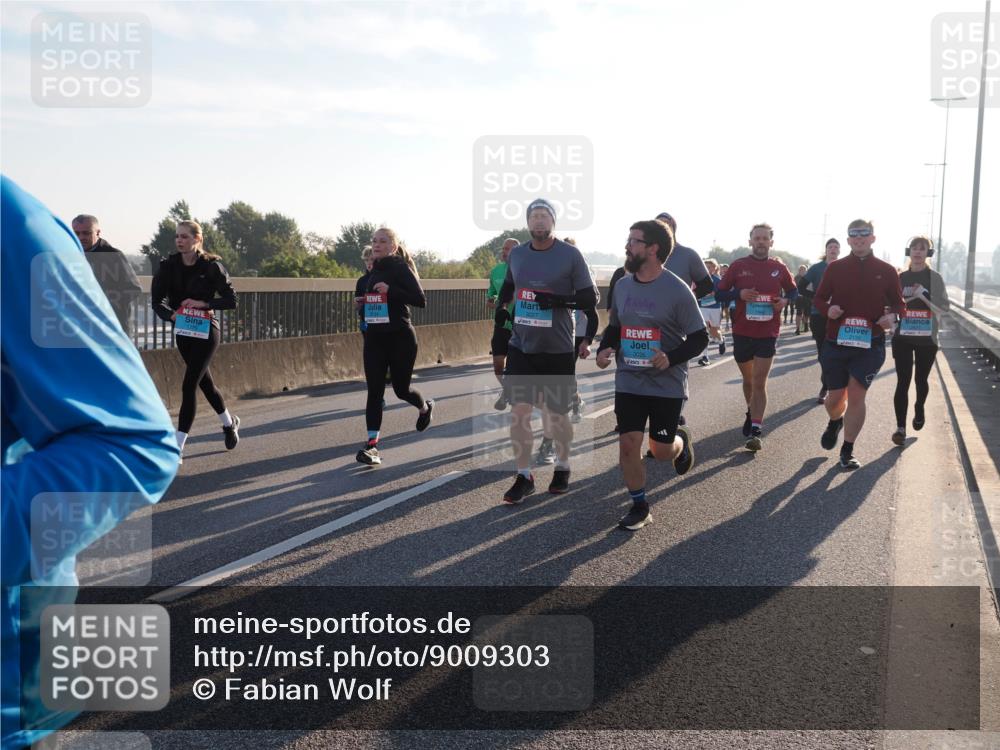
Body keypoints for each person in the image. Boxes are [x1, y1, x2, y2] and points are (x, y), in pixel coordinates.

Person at [2, 176, 179, 749]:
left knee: (198, 388)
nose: (82, 234)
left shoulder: (15, 226)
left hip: (9, 706)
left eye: (86, 231)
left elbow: (134, 441)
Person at [596, 219, 707, 530]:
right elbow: (616, 327)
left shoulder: (677, 289)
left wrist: (670, 357)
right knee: (629, 444)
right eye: (629, 240)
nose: (627, 246)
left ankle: (679, 443)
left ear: (653, 249)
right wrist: (606, 348)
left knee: (660, 451)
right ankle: (639, 504)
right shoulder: (622, 284)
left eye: (634, 241)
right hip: (629, 378)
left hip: (666, 383)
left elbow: (700, 337)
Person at [494, 198, 598, 503]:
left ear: (553, 221)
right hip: (522, 346)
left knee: (556, 417)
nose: (539, 221)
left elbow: (590, 298)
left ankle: (563, 467)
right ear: (527, 223)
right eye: (534, 216)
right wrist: (502, 307)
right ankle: (524, 476)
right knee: (520, 413)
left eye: (544, 216)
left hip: (557, 348)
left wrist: (557, 302)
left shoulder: (570, 255)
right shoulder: (519, 255)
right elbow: (510, 286)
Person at [814, 219, 905, 469]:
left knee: (856, 394)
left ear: (872, 238)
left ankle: (847, 450)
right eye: (854, 235)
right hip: (836, 342)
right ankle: (835, 421)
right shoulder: (835, 268)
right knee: (834, 400)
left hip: (870, 343)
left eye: (864, 234)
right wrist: (828, 309)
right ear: (848, 241)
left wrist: (892, 317)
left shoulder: (886, 270)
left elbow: (899, 304)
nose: (859, 239)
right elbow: (819, 299)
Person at [150, 221, 240, 464]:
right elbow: (156, 301)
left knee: (189, 384)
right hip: (184, 331)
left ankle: (177, 447)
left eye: (185, 237)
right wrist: (170, 314)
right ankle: (229, 423)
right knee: (205, 384)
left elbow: (232, 300)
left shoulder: (211, 267)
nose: (180, 241)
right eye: (177, 237)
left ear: (198, 239)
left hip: (207, 330)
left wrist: (205, 304)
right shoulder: (168, 267)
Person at [354, 227, 433, 466]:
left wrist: (391, 291)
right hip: (375, 339)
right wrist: (362, 305)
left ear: (393, 246)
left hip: (400, 338)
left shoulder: (400, 268)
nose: (377, 245)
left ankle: (424, 407)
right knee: (374, 392)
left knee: (401, 390)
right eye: (374, 241)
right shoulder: (369, 274)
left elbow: (420, 300)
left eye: (383, 241)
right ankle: (372, 446)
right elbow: (375, 307)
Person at [716, 223, 798, 452]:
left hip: (767, 332)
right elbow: (719, 292)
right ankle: (751, 412)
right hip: (742, 330)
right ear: (750, 241)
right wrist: (738, 293)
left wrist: (785, 301)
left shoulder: (778, 268)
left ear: (771, 242)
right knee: (749, 380)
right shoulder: (738, 266)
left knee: (759, 382)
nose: (761, 242)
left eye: (765, 238)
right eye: (757, 238)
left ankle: (756, 430)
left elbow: (793, 291)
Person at [891, 236, 950, 446]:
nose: (918, 252)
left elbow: (943, 309)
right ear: (909, 252)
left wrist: (923, 295)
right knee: (903, 381)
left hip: (927, 339)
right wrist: (907, 300)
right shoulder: (899, 277)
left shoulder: (935, 278)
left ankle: (919, 407)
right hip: (903, 338)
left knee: (920, 380)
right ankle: (900, 428)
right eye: (914, 248)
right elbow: (890, 307)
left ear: (928, 253)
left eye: (922, 249)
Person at [72, 214, 142, 336]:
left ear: (98, 232)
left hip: (113, 327)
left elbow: (133, 289)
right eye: (76, 233)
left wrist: (101, 304)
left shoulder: (114, 255)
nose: (81, 237)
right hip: (83, 327)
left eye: (86, 233)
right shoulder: (70, 255)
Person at [799, 238, 841, 403]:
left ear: (839, 250)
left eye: (836, 247)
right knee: (823, 353)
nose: (833, 249)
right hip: (819, 314)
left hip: (840, 316)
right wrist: (816, 297)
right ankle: (826, 385)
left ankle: (836, 386)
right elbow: (801, 286)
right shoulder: (817, 268)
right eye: (830, 247)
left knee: (839, 352)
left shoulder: (845, 266)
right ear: (826, 250)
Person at [563, 237, 599, 423]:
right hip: (561, 330)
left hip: (579, 330)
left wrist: (587, 341)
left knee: (566, 372)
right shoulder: (557, 273)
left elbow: (593, 312)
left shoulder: (584, 272)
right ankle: (576, 401)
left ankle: (574, 405)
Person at [487, 238, 520, 410]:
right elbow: (491, 295)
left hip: (520, 325)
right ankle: (508, 391)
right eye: (504, 248)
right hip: (501, 324)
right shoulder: (496, 271)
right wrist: (492, 300)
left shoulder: (524, 270)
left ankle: (509, 394)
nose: (504, 251)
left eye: (508, 249)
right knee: (498, 365)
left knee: (515, 366)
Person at [655, 212, 714, 299]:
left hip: (679, 311)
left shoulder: (688, 254)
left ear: (673, 229)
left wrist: (689, 298)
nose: (663, 227)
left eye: (667, 223)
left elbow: (707, 286)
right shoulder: (645, 255)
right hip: (651, 310)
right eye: (658, 225)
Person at [696, 258, 725, 365]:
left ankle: (721, 341)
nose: (707, 269)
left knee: (714, 331)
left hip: (715, 308)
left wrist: (715, 294)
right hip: (702, 307)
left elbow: (724, 294)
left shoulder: (718, 280)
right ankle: (705, 356)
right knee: (705, 331)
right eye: (705, 267)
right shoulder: (699, 280)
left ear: (715, 268)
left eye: (709, 267)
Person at [793, 264, 809, 333]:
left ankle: (805, 325)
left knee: (806, 313)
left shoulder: (808, 278)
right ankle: (797, 328)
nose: (802, 271)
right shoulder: (796, 278)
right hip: (799, 298)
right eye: (801, 270)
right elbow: (793, 287)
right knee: (799, 313)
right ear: (799, 271)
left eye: (804, 270)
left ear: (806, 271)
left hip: (807, 297)